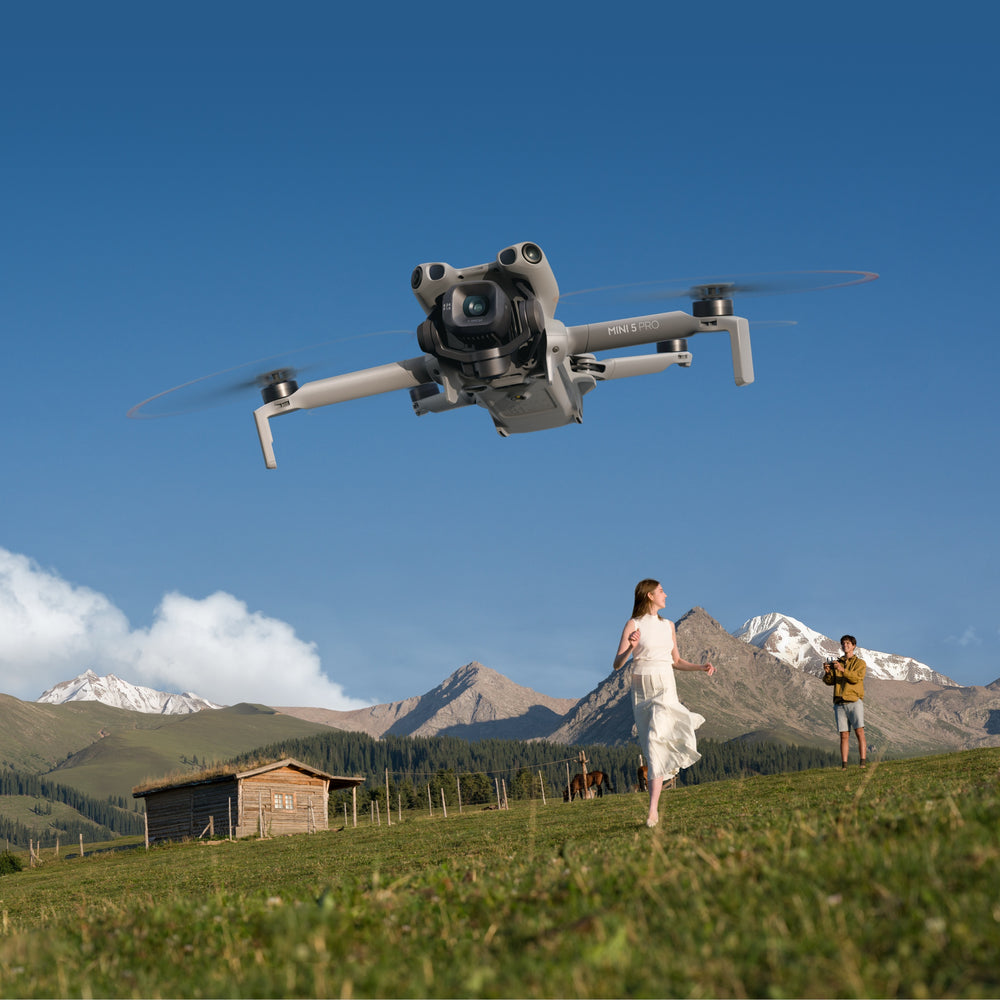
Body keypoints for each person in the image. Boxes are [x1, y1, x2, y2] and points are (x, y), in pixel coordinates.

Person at [613, 579, 715, 828]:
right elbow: (617, 663)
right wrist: (631, 648)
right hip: (642, 687)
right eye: (661, 591)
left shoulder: (669, 625)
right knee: (651, 746)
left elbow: (676, 661)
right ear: (649, 595)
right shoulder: (633, 625)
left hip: (665, 684)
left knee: (658, 735)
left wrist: (700, 667)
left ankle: (651, 811)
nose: (665, 595)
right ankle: (653, 809)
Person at [823, 635, 867, 769]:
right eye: (843, 644)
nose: (845, 645)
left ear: (853, 645)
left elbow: (856, 678)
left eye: (847, 643)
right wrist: (828, 672)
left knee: (859, 732)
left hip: (854, 700)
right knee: (844, 735)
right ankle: (844, 765)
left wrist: (842, 670)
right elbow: (829, 682)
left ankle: (863, 763)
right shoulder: (838, 662)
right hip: (839, 703)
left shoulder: (860, 663)